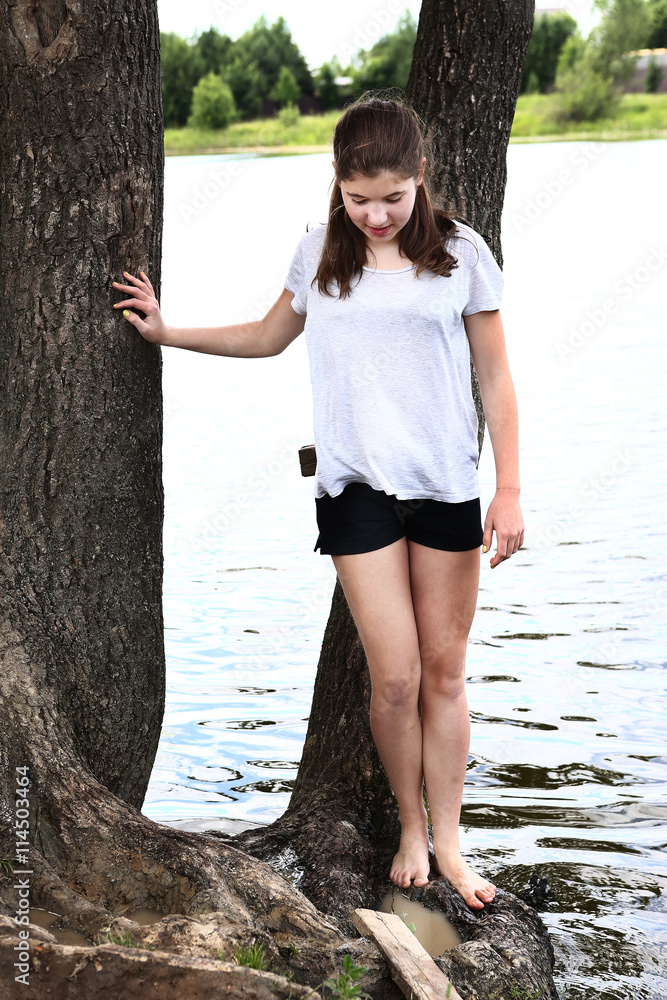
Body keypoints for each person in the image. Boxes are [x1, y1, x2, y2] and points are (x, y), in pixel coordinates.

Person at [111, 95, 524, 911]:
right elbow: (266, 338)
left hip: (444, 487)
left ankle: (449, 840)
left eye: (392, 197)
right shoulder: (318, 258)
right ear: (336, 185)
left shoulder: (459, 253)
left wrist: (508, 488)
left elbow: (496, 379)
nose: (375, 214)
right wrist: (167, 331)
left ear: (419, 181)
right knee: (395, 678)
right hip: (354, 492)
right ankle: (408, 826)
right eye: (358, 197)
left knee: (444, 674)